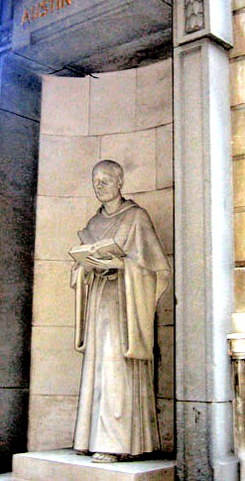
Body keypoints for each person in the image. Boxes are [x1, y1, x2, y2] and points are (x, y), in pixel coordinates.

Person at [70, 159, 170, 463]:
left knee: (116, 370)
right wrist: (84, 267)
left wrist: (122, 265)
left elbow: (158, 270)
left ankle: (116, 442)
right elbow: (79, 270)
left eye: (105, 180)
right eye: (95, 180)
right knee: (98, 370)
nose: (99, 186)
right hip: (99, 300)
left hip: (125, 306)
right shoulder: (93, 224)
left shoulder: (136, 218)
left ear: (120, 182)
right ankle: (92, 438)